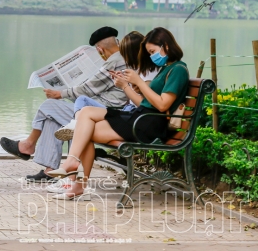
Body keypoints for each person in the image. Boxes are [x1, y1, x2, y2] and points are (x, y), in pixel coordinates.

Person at [47, 27, 190, 199]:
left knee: (85, 129)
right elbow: (143, 103)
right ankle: (73, 166)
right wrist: (125, 86)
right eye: (149, 53)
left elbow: (161, 105)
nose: (152, 56)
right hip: (141, 117)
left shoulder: (178, 70)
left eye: (152, 51)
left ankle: (76, 177)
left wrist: (140, 82)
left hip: (148, 125)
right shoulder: (166, 69)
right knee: (85, 114)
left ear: (166, 46)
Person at [0, 27, 129, 182]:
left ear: (99, 49)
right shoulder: (123, 58)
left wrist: (59, 93)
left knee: (49, 106)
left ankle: (28, 144)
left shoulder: (115, 62)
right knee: (52, 116)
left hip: (104, 113)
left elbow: (88, 89)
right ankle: (49, 171)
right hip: (100, 109)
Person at [54, 31, 158, 141]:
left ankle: (76, 126)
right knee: (83, 113)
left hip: (133, 116)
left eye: (125, 55)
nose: (124, 59)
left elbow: (143, 104)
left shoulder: (149, 74)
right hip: (129, 112)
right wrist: (127, 83)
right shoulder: (140, 71)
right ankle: (75, 138)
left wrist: (125, 86)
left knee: (83, 109)